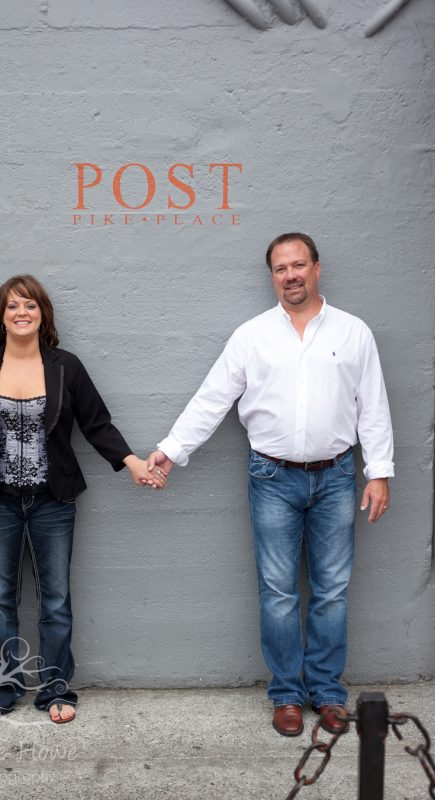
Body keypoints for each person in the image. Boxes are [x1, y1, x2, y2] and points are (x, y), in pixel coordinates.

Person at [147, 233, 393, 737]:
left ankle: (326, 692)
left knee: (332, 591)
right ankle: (286, 694)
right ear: (272, 277)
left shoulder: (352, 333)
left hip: (337, 474)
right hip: (272, 477)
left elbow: (373, 404)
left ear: (317, 268)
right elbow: (212, 398)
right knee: (279, 592)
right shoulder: (252, 336)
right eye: (280, 269)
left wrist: (380, 473)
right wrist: (171, 450)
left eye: (298, 265)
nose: (290, 276)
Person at [0, 275, 166, 725]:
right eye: (12, 307)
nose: (21, 313)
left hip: (54, 499)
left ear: (43, 313)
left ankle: (55, 689)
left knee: (55, 599)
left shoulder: (65, 366)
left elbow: (97, 423)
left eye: (29, 305)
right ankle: (4, 686)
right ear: (1, 316)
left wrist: (132, 463)